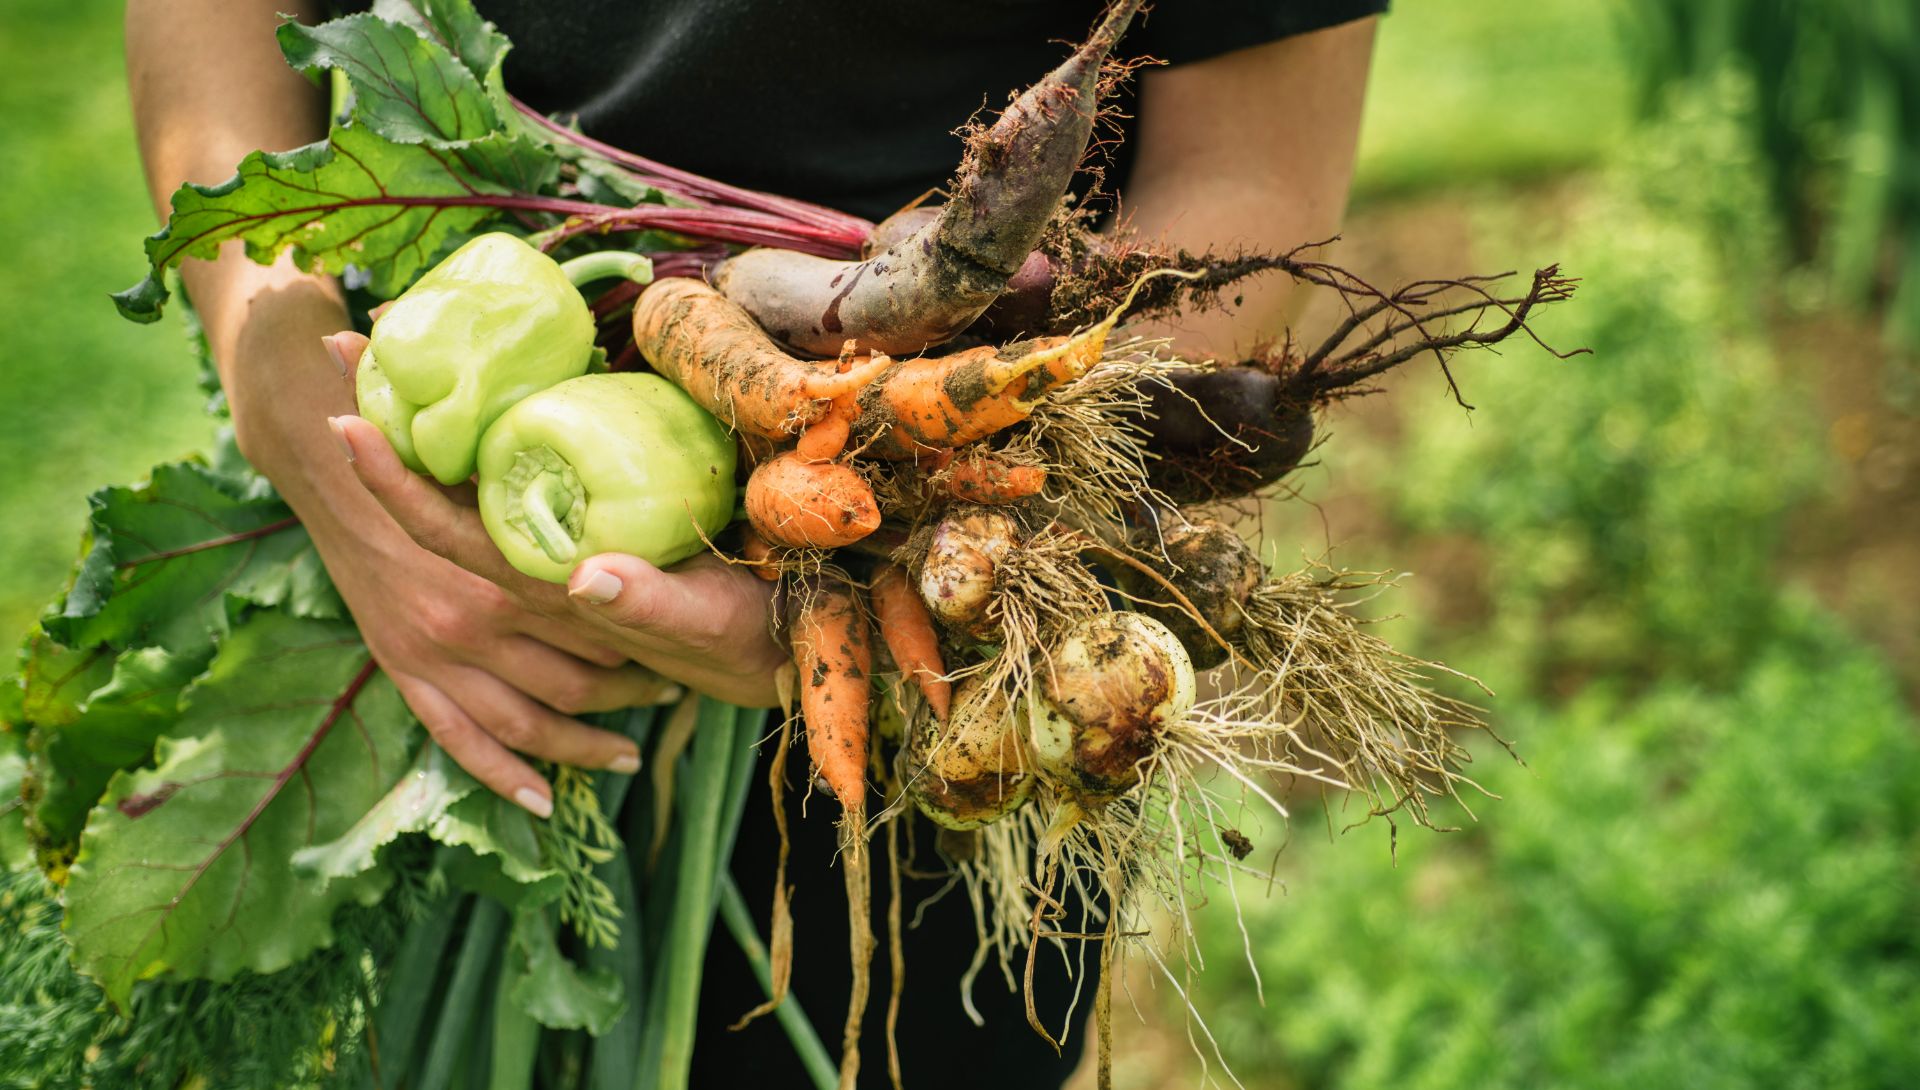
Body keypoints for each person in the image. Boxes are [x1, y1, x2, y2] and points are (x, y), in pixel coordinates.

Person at [126, 2, 1381, 1084]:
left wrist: (889, 533)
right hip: (406, 564)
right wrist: (274, 358)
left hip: (939, 667)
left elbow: (1250, 170)